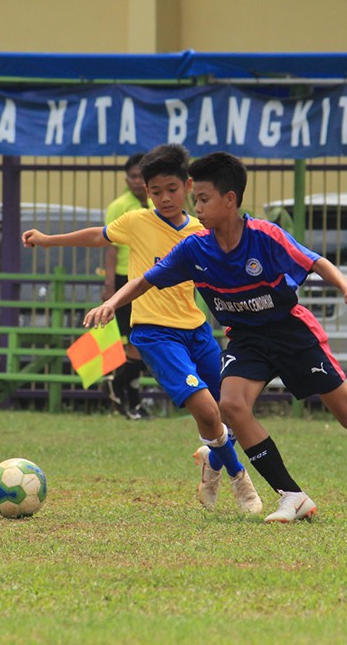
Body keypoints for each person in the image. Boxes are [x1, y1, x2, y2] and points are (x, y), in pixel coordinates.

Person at [84, 151, 347, 524]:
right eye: (195, 199)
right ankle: (291, 496)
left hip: (290, 333)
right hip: (247, 339)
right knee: (231, 406)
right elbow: (145, 280)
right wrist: (112, 304)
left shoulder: (264, 236)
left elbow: (315, 261)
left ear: (229, 199)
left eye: (203, 199)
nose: (195, 207)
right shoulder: (194, 248)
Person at [23, 144, 262, 515]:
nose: (164, 198)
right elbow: (96, 236)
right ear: (146, 192)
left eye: (171, 189)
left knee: (231, 407)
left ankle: (212, 460)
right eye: (155, 192)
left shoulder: (202, 230)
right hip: (154, 332)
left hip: (197, 330)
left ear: (187, 186)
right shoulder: (136, 221)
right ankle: (239, 479)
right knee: (204, 406)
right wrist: (48, 239)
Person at [103, 153, 151, 419]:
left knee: (143, 343)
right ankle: (129, 396)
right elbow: (110, 248)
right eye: (132, 176)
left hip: (152, 280)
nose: (137, 181)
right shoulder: (119, 206)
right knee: (135, 341)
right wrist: (109, 286)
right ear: (126, 179)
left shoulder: (160, 202)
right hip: (125, 279)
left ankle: (121, 388)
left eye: (141, 176)